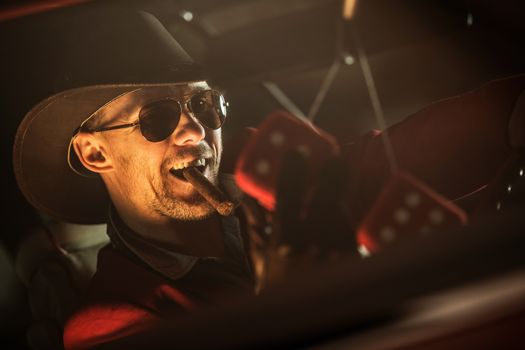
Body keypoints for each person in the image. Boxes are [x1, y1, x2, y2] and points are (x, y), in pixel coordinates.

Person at [12, 5, 525, 350]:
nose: (195, 129)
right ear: (94, 152)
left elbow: (390, 160)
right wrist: (290, 303)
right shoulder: (110, 322)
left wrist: (511, 113)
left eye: (205, 105)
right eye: (158, 118)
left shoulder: (274, 186)